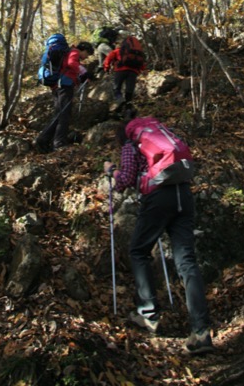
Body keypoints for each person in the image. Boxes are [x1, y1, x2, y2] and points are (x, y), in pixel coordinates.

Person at [103, 120, 213, 356]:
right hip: (183, 193)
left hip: (158, 198)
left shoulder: (131, 145)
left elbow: (126, 181)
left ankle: (148, 312)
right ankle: (201, 331)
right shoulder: (160, 135)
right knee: (187, 261)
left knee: (138, 250)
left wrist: (112, 171)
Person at [35, 41, 94, 152]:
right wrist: (84, 73)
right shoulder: (74, 52)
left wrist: (80, 77)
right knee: (64, 115)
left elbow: (68, 69)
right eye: (87, 54)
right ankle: (58, 143)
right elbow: (71, 64)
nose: (86, 57)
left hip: (58, 86)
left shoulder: (69, 52)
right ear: (84, 49)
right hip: (64, 86)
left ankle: (43, 140)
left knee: (59, 114)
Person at [103, 35, 145, 112]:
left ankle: (120, 100)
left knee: (116, 88)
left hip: (120, 70)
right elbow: (142, 64)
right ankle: (128, 109)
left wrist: (106, 68)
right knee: (129, 91)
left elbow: (108, 59)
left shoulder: (117, 51)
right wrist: (140, 71)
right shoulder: (135, 53)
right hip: (133, 72)